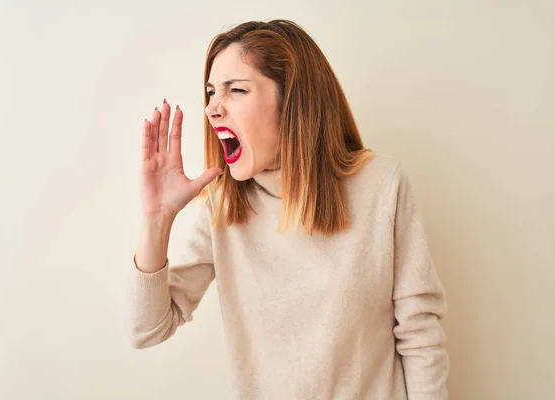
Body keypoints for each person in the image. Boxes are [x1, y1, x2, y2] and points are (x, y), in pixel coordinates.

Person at [129, 19, 449, 400]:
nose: (213, 108)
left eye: (236, 90)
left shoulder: (382, 185)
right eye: (211, 92)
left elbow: (419, 334)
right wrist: (157, 219)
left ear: (292, 98)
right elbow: (147, 329)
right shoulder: (224, 205)